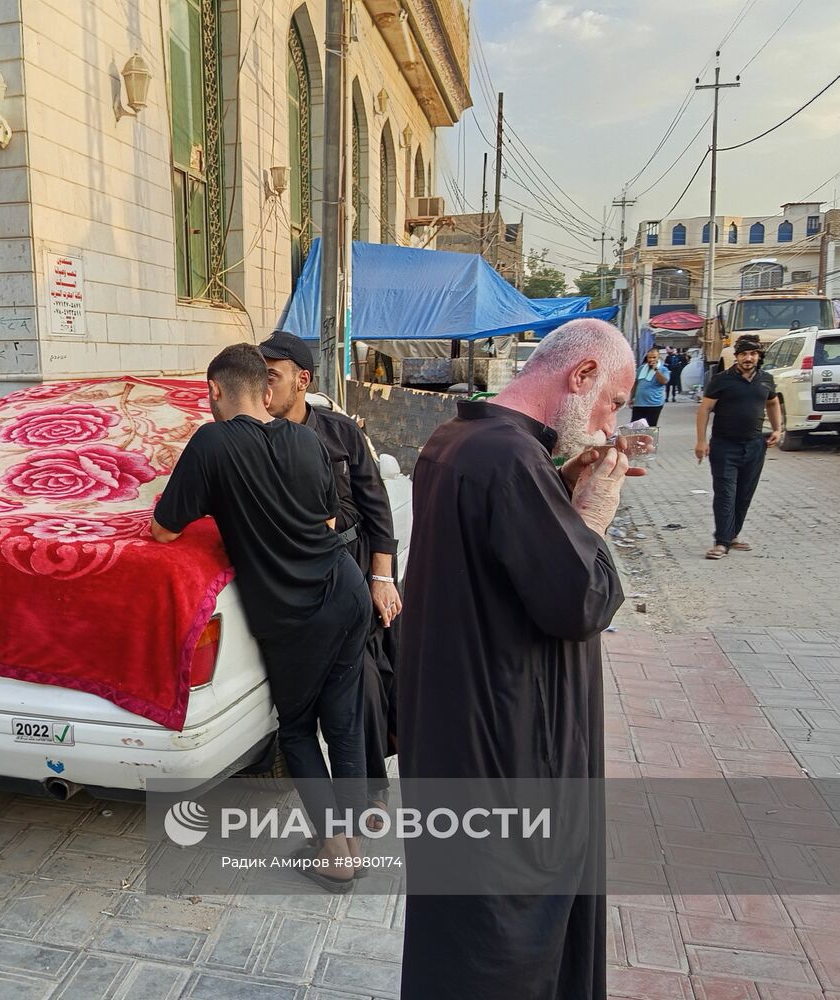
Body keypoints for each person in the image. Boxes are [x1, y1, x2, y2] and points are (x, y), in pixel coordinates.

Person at [397, 318, 636, 1000]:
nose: (608, 423)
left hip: (461, 733)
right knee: (504, 941)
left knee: (460, 929)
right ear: (580, 374)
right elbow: (578, 601)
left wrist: (556, 486)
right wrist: (590, 519)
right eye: (612, 401)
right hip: (509, 752)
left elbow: (504, 559)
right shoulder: (508, 460)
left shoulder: (460, 439)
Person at [151, 343, 372, 892]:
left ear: (215, 390)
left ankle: (336, 855)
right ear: (266, 389)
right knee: (342, 721)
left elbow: (163, 530)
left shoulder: (212, 443)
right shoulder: (305, 438)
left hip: (295, 611)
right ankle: (352, 840)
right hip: (346, 587)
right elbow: (326, 517)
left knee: (296, 729)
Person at [259, 331, 401, 807]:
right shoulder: (250, 435)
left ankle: (373, 791)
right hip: (289, 579)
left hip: (350, 567)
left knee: (364, 679)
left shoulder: (340, 432)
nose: (263, 387)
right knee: (315, 700)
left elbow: (376, 506)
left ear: (302, 380)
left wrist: (382, 578)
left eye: (272, 376)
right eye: (258, 376)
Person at [696, 334, 783, 560]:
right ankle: (721, 542)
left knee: (744, 494)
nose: (748, 358)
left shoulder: (766, 379)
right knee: (726, 493)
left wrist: (777, 429)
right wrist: (701, 441)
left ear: (759, 356)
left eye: (753, 354)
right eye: (744, 354)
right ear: (736, 356)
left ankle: (732, 535)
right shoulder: (721, 380)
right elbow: (705, 409)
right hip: (724, 446)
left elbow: (772, 402)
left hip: (755, 446)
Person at [630, 346, 669, 426]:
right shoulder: (641, 368)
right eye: (649, 357)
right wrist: (631, 397)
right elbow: (636, 383)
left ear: (658, 358)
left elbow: (664, 381)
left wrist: (655, 370)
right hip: (639, 403)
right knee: (635, 427)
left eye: (654, 357)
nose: (651, 359)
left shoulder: (663, 369)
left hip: (654, 404)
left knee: (650, 428)